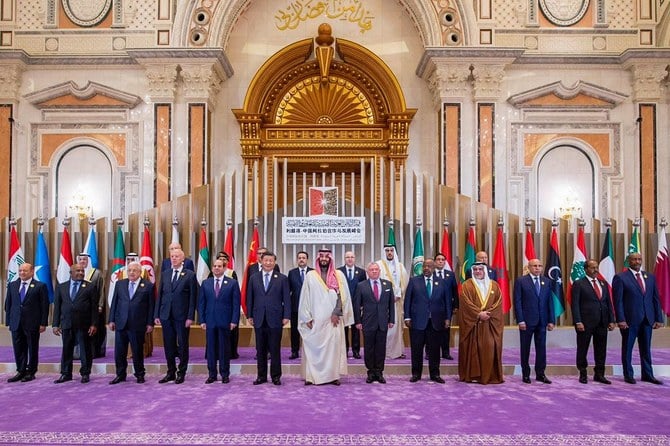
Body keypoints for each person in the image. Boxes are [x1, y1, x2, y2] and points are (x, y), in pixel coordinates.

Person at [299, 248, 354, 385]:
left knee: (333, 349)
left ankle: (333, 376)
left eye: (326, 256)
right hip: (316, 320)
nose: (324, 258)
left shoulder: (338, 275)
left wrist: (336, 312)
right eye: (321, 256)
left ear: (330, 259)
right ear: (318, 259)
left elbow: (343, 296)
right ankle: (311, 377)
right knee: (313, 348)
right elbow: (304, 298)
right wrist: (307, 318)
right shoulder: (311, 275)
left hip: (333, 320)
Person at [613, 252, 664, 385]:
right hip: (629, 320)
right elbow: (618, 301)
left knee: (646, 349)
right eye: (634, 259)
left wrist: (658, 318)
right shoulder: (620, 277)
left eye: (639, 259)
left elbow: (655, 299)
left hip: (647, 319)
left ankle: (647, 374)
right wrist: (621, 319)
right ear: (628, 261)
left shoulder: (650, 277)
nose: (637, 261)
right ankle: (628, 375)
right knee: (627, 348)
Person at [154, 249, 199, 384]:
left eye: (177, 256)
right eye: (172, 256)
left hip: (182, 316)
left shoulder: (190, 275)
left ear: (182, 259)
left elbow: (193, 298)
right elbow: (160, 295)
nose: (174, 258)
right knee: (168, 345)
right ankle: (170, 372)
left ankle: (181, 372)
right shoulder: (165, 274)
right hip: (166, 315)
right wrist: (157, 314)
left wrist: (190, 317)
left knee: (183, 344)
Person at [404, 257, 451, 383]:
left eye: (429, 266)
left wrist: (448, 318)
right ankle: (416, 374)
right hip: (417, 322)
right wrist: (407, 317)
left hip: (436, 322)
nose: (426, 268)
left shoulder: (442, 282)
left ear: (434, 267)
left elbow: (447, 302)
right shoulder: (414, 281)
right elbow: (407, 300)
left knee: (435, 349)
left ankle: (435, 374)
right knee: (416, 349)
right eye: (424, 266)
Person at [246, 251, 290, 385]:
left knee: (275, 349)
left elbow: (286, 299)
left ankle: (276, 376)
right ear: (261, 261)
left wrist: (286, 315)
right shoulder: (254, 278)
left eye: (271, 261)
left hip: (276, 318)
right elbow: (250, 298)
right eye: (266, 260)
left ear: (274, 262)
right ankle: (261, 376)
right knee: (260, 349)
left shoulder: (282, 278)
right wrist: (249, 315)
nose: (268, 263)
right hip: (258, 318)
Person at [108, 262, 155, 384]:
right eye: (129, 270)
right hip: (121, 323)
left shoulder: (148, 286)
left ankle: (139, 374)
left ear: (140, 272)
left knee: (137, 351)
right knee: (119, 351)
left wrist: (150, 323)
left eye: (134, 270)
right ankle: (120, 374)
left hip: (138, 324)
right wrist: (111, 320)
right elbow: (114, 303)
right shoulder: (120, 284)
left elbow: (151, 307)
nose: (131, 272)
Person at [571, 259, 615, 384]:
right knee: (583, 349)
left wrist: (611, 320)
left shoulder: (603, 283)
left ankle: (599, 374)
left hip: (602, 322)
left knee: (601, 349)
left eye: (596, 267)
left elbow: (608, 303)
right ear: (586, 269)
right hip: (585, 323)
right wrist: (578, 321)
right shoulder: (579, 284)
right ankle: (583, 373)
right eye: (592, 267)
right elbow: (575, 305)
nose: (595, 270)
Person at [458, 263, 504, 384]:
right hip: (473, 325)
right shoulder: (466, 285)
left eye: (480, 269)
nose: (478, 271)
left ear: (485, 271)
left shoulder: (494, 285)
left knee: (490, 347)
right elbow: (465, 303)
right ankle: (472, 376)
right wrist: (478, 314)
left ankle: (490, 376)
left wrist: (487, 314)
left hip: (489, 324)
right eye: (475, 269)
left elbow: (498, 303)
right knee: (473, 349)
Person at [52, 264, 98, 384]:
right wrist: (55, 324)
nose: (81, 273)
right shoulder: (61, 287)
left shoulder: (90, 287)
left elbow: (94, 308)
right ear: (71, 272)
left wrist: (94, 324)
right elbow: (57, 307)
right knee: (66, 349)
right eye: (78, 271)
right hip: (66, 323)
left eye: (82, 271)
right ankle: (66, 373)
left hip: (84, 324)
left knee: (85, 350)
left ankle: (85, 373)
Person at [198, 258, 241, 384]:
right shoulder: (206, 283)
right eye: (215, 266)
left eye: (219, 266)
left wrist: (234, 321)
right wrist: (202, 320)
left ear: (224, 268)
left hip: (225, 321)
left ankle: (224, 374)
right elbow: (201, 303)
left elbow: (235, 304)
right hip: (210, 321)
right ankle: (212, 374)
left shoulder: (232, 283)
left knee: (224, 349)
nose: (217, 268)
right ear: (212, 268)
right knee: (211, 349)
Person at [5, 263, 49, 383]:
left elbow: (45, 306)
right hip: (16, 322)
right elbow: (8, 304)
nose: (22, 273)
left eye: (25, 271)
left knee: (32, 348)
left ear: (31, 272)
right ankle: (21, 370)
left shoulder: (40, 286)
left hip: (33, 323)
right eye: (20, 271)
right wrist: (8, 320)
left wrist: (43, 323)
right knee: (18, 348)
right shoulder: (12, 285)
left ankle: (31, 371)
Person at [513, 258, 555, 384]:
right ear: (529, 267)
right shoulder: (521, 281)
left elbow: (549, 302)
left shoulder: (546, 282)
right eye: (535, 266)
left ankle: (540, 374)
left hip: (542, 321)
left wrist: (551, 320)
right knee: (525, 348)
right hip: (526, 321)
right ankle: (526, 374)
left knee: (541, 348)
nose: (537, 268)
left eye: (539, 266)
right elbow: (517, 302)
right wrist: (520, 320)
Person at [353, 262, 394, 383]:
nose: (374, 271)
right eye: (372, 270)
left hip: (383, 322)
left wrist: (391, 319)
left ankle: (379, 372)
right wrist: (357, 321)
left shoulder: (388, 284)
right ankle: (370, 372)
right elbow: (356, 305)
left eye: (376, 269)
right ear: (368, 272)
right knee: (369, 348)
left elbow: (391, 304)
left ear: (379, 271)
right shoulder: (361, 286)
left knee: (381, 348)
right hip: (367, 322)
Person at [377, 244, 408, 359]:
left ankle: (396, 351)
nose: (389, 253)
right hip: (383, 302)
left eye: (391, 250)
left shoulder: (400, 266)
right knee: (384, 327)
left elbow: (404, 283)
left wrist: (398, 295)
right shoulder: (378, 265)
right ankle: (383, 351)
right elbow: (375, 282)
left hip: (397, 301)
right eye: (387, 251)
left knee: (395, 327)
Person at [77, 253, 106, 358]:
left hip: (94, 308)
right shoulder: (75, 273)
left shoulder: (96, 273)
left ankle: (94, 352)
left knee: (93, 331)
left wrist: (100, 305)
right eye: (80, 259)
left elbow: (101, 291)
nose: (82, 261)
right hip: (80, 309)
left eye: (84, 259)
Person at [338, 250, 366, 359]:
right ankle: (344, 350)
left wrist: (362, 304)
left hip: (356, 305)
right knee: (343, 328)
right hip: (343, 305)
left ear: (355, 259)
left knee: (356, 328)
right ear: (344, 259)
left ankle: (356, 351)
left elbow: (364, 288)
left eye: (352, 257)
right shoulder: (339, 271)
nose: (350, 259)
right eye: (347, 257)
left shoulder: (361, 272)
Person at [433, 252, 458, 360]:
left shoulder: (450, 274)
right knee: (431, 330)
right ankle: (430, 352)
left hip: (446, 308)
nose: (440, 261)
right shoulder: (430, 273)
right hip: (433, 308)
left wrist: (456, 305)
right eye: (438, 259)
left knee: (445, 331)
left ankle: (445, 352)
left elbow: (454, 291)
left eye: (443, 259)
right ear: (435, 262)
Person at [287, 251, 312, 360]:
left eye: (304, 258)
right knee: (294, 330)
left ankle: (310, 352)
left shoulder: (313, 273)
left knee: (310, 330)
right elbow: (288, 290)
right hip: (295, 307)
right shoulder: (292, 273)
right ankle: (294, 351)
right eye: (299, 258)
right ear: (297, 260)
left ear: (307, 260)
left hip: (310, 308)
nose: (301, 259)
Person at [216, 251, 240, 359]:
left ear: (227, 261)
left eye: (224, 259)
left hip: (228, 306)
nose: (222, 261)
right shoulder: (213, 273)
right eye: (220, 259)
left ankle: (231, 353)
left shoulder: (231, 273)